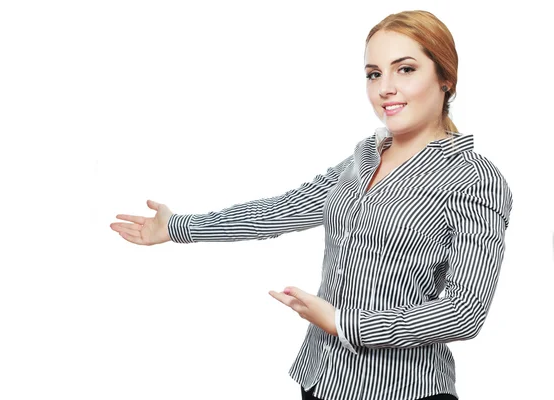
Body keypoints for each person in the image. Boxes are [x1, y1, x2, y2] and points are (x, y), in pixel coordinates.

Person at [110, 10, 513, 400]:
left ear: (445, 77)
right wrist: (178, 227)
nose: (384, 88)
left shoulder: (475, 180)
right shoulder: (363, 158)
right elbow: (282, 210)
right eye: (374, 74)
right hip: (320, 377)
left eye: (404, 69)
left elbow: (466, 311)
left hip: (402, 389)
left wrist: (344, 324)